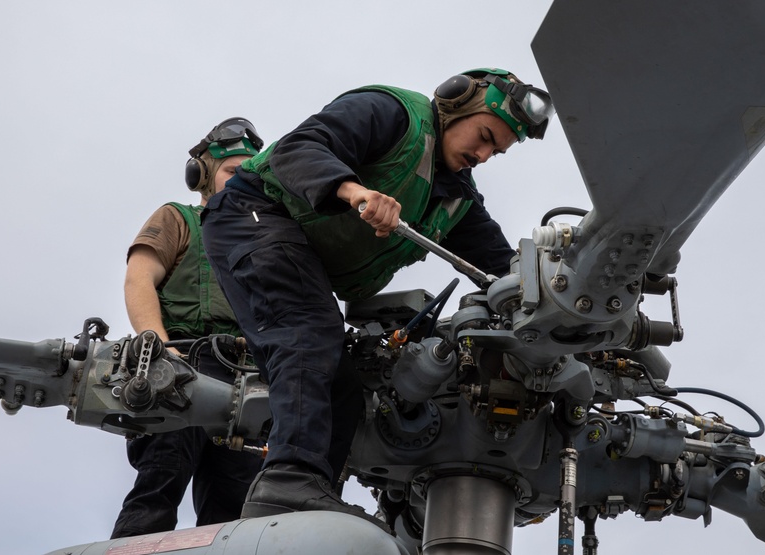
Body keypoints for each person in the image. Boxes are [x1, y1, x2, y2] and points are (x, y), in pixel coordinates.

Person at [200, 69, 553, 528]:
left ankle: (310, 495)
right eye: (484, 136)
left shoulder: (455, 198)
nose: (482, 155)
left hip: (292, 249)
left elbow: (501, 267)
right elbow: (297, 150)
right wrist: (355, 190)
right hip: (253, 215)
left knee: (342, 383)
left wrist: (559, 298)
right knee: (308, 335)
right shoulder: (393, 114)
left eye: (495, 152)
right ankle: (288, 478)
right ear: (458, 104)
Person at [111, 117, 266, 538]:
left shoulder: (266, 240)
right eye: (233, 172)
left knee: (235, 516)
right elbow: (139, 278)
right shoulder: (178, 218)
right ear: (204, 177)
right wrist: (160, 350)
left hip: (248, 383)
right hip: (183, 367)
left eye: (250, 174)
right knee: (158, 490)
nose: (241, 181)